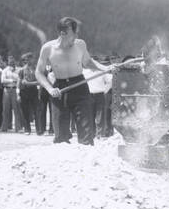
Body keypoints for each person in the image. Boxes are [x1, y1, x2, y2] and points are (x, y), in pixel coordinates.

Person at [35, 17, 115, 145]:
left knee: (86, 132)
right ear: (63, 33)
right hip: (59, 90)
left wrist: (105, 68)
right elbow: (38, 72)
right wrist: (50, 89)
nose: (77, 36)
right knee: (61, 135)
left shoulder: (80, 44)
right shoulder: (48, 49)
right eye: (75, 33)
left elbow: (88, 62)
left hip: (80, 87)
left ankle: (86, 156)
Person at [18, 52, 40, 135]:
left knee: (36, 110)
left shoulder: (36, 69)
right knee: (25, 110)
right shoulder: (22, 70)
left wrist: (29, 83)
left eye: (30, 59)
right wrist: (18, 93)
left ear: (33, 59)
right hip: (24, 91)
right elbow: (20, 82)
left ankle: (39, 129)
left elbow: (39, 81)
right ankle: (27, 129)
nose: (28, 61)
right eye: (27, 59)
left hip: (34, 90)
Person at [1, 55, 22, 132]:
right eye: (10, 61)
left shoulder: (19, 70)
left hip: (15, 90)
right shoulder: (5, 70)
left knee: (16, 109)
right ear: (8, 62)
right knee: (6, 109)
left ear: (15, 61)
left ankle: (18, 127)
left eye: (13, 61)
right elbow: (3, 80)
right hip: (7, 90)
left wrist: (13, 80)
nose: (11, 62)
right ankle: (4, 127)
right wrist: (12, 80)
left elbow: (19, 79)